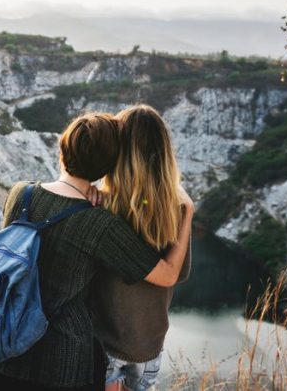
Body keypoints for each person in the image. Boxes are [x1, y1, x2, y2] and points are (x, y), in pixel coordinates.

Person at [0, 111, 194, 391]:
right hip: (63, 364)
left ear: (61, 150)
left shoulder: (20, 193)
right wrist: (187, 211)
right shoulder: (99, 222)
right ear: (106, 166)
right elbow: (168, 274)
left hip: (3, 350)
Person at [90, 104, 193, 391]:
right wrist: (188, 214)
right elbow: (179, 273)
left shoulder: (100, 204)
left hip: (105, 340)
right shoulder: (175, 209)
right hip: (149, 343)